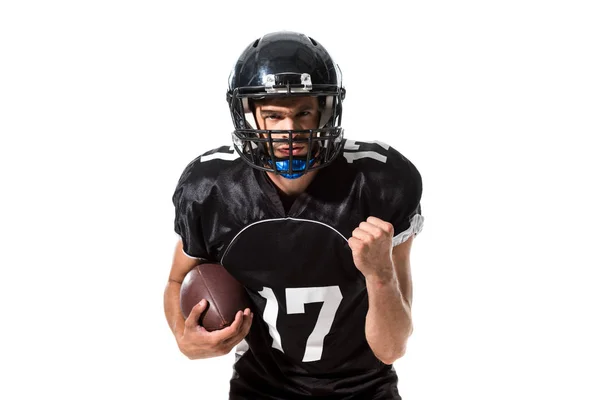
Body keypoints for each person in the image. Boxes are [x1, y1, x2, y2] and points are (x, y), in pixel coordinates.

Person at [164, 31, 424, 400]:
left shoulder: (379, 183)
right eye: (273, 115)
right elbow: (177, 281)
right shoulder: (213, 190)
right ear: (251, 116)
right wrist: (183, 336)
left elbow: (391, 348)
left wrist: (380, 273)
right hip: (262, 387)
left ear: (326, 110)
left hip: (364, 389)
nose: (290, 131)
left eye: (304, 112)